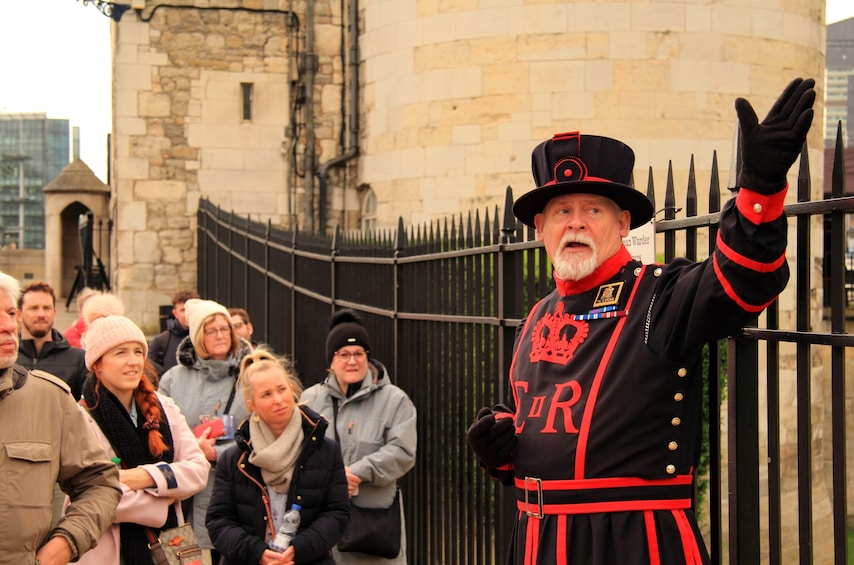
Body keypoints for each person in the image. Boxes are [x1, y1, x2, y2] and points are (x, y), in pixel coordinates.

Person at [465, 78, 816, 564]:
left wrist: (760, 190)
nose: (576, 223)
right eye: (562, 210)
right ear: (540, 228)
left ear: (625, 224)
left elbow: (740, 279)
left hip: (633, 543)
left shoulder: (658, 296)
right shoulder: (536, 316)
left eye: (593, 209)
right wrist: (502, 446)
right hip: (536, 544)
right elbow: (532, 420)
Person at [0, 271, 121, 564]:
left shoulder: (50, 398)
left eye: (11, 312)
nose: (7, 326)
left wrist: (65, 544)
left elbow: (100, 484)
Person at [75, 311, 210, 564]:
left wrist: (145, 476)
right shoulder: (80, 418)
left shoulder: (165, 408)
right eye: (121, 352)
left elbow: (198, 469)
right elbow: (93, 496)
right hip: (110, 550)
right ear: (97, 364)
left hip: (175, 543)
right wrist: (165, 499)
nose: (133, 361)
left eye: (138, 351)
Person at [206, 348, 351, 565]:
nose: (278, 400)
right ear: (251, 404)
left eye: (281, 389)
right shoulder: (234, 459)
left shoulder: (325, 450)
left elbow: (337, 512)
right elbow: (218, 521)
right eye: (266, 394)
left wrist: (299, 549)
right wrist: (257, 553)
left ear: (291, 390)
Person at [301, 309, 417, 565]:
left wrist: (356, 472)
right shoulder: (310, 400)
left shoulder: (395, 400)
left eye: (358, 354)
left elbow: (402, 451)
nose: (351, 361)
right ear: (330, 361)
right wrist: (332, 478)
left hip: (373, 523)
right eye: (343, 354)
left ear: (367, 357)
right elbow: (298, 452)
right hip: (322, 520)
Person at [158, 297, 253, 559]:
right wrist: (191, 449)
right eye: (211, 330)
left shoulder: (250, 375)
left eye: (225, 328)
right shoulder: (172, 379)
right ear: (199, 336)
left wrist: (219, 454)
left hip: (236, 494)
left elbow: (263, 431)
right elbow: (157, 432)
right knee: (184, 558)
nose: (220, 335)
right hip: (183, 499)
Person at [16, 281, 87, 399]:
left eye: (46, 308)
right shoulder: (7, 358)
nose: (41, 314)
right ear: (19, 315)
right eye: (33, 308)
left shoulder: (78, 360)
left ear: (54, 313)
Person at [148, 289, 199, 376]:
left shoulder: (206, 337)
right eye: (183, 310)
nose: (187, 314)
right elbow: (149, 369)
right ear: (175, 313)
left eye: (190, 310)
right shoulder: (161, 340)